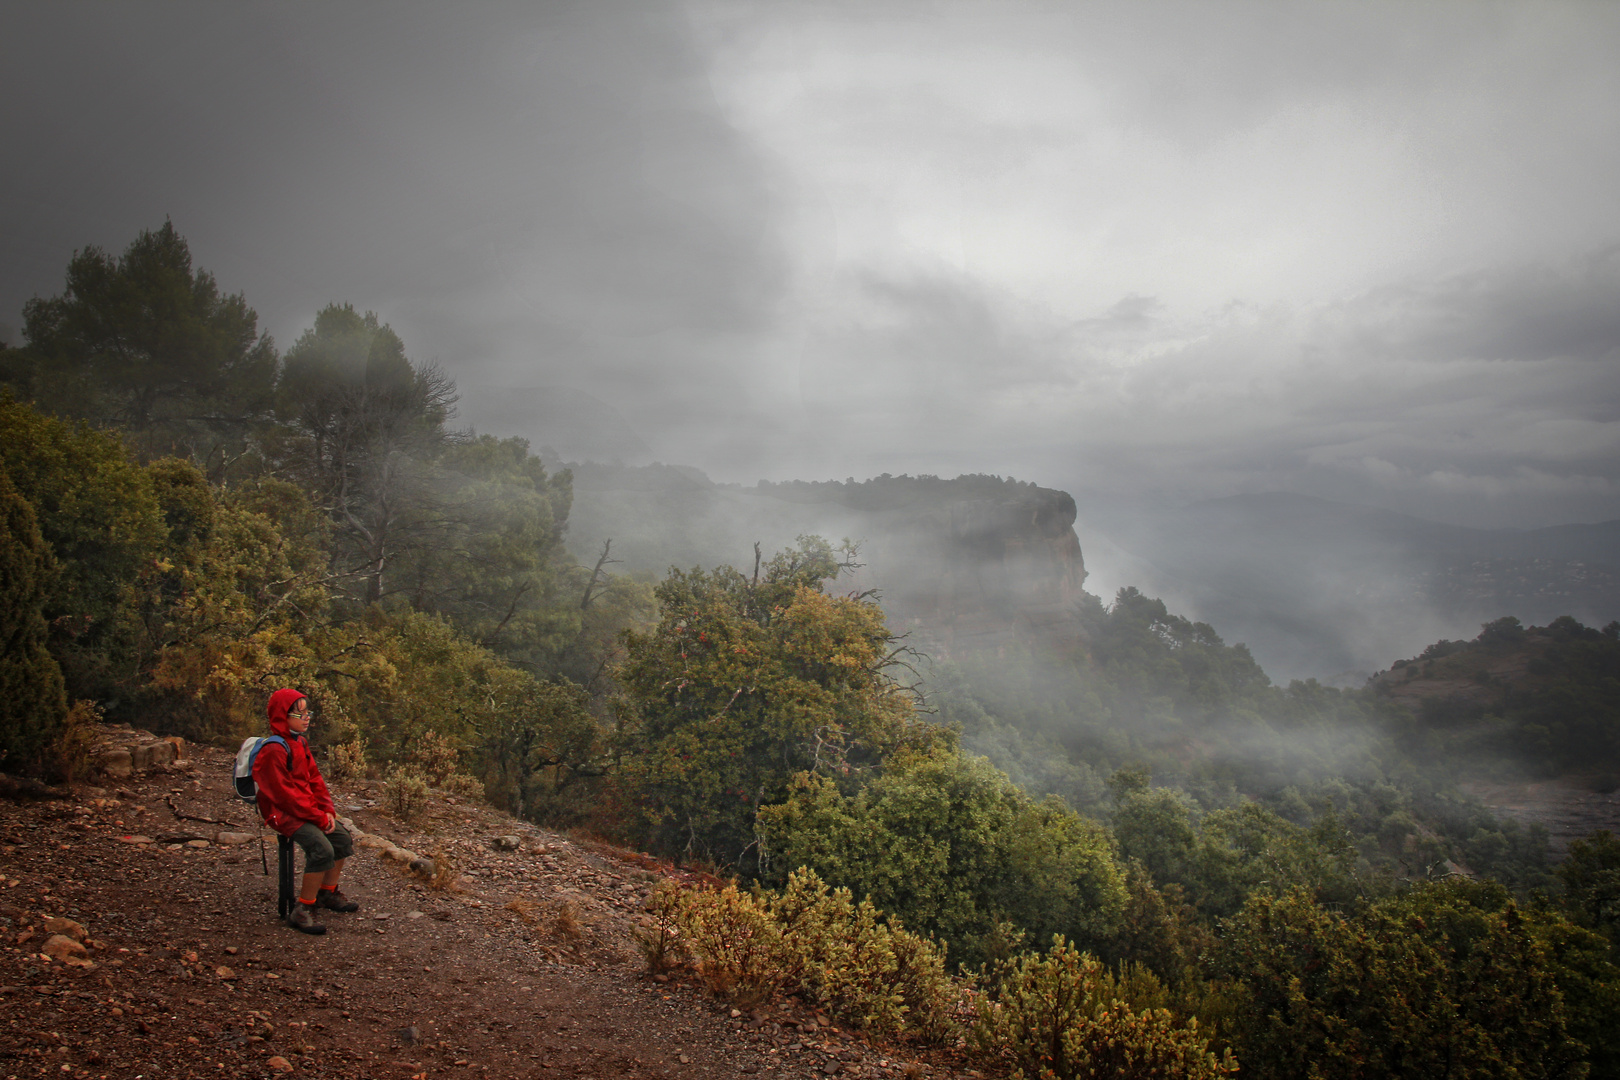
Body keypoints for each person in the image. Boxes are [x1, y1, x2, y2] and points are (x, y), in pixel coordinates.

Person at [253, 688, 359, 934]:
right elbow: (284, 796)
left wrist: (327, 811)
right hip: (281, 813)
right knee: (321, 849)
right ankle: (303, 909)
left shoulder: (300, 742)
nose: (307, 718)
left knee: (342, 839)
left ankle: (326, 893)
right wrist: (317, 817)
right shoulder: (274, 750)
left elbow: (314, 780)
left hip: (306, 809)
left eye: (307, 712)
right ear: (283, 715)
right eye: (299, 713)